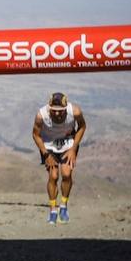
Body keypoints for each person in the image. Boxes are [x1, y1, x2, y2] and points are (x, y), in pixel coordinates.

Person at [32, 91, 85, 224]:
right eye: (53, 110)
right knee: (53, 176)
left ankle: (63, 206)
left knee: (66, 174)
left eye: (60, 111)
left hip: (68, 144)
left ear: (65, 108)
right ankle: (52, 209)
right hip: (48, 145)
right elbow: (35, 135)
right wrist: (45, 154)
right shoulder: (41, 115)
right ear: (49, 107)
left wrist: (73, 149)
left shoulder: (75, 112)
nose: (56, 113)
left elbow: (82, 127)